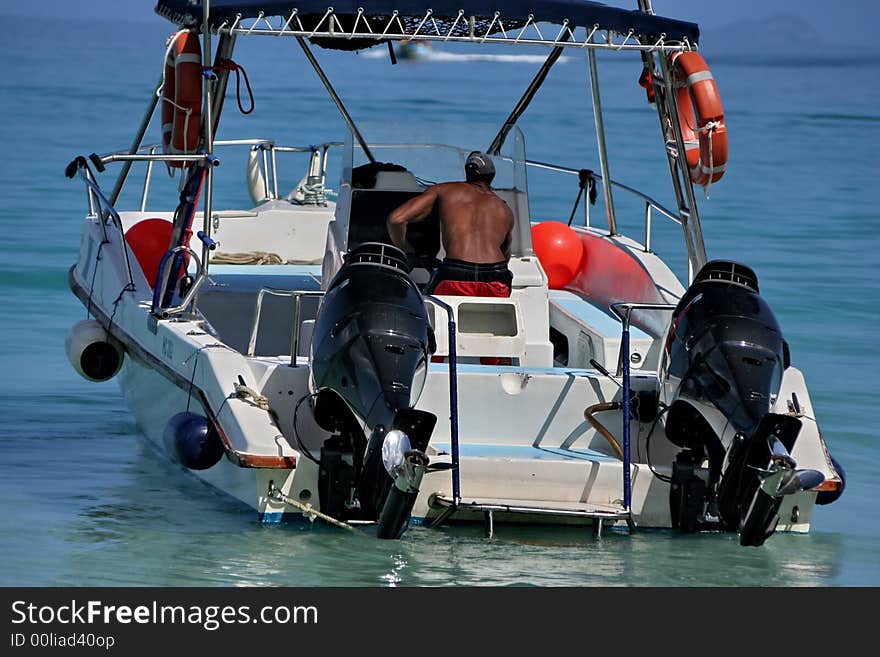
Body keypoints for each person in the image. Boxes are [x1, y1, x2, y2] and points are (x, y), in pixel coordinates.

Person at [387, 151, 515, 297]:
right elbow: (505, 256)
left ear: (468, 172)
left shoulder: (444, 190)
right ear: (492, 176)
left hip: (456, 275)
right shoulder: (505, 209)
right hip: (495, 277)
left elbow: (396, 219)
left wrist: (405, 248)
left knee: (424, 304)